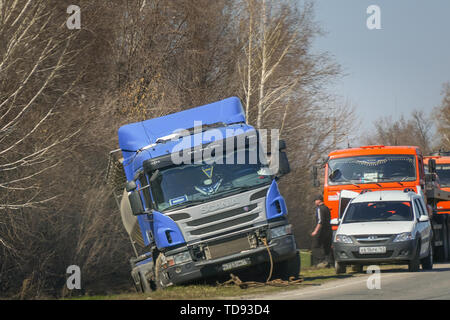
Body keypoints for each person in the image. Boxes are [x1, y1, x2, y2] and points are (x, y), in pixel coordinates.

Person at [311, 194, 333, 268]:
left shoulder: (319, 209)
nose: (315, 202)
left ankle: (321, 262)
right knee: (327, 246)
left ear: (318, 200)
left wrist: (315, 231)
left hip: (322, 230)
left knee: (315, 246)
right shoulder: (326, 208)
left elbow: (320, 221)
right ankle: (330, 262)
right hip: (329, 230)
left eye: (315, 200)